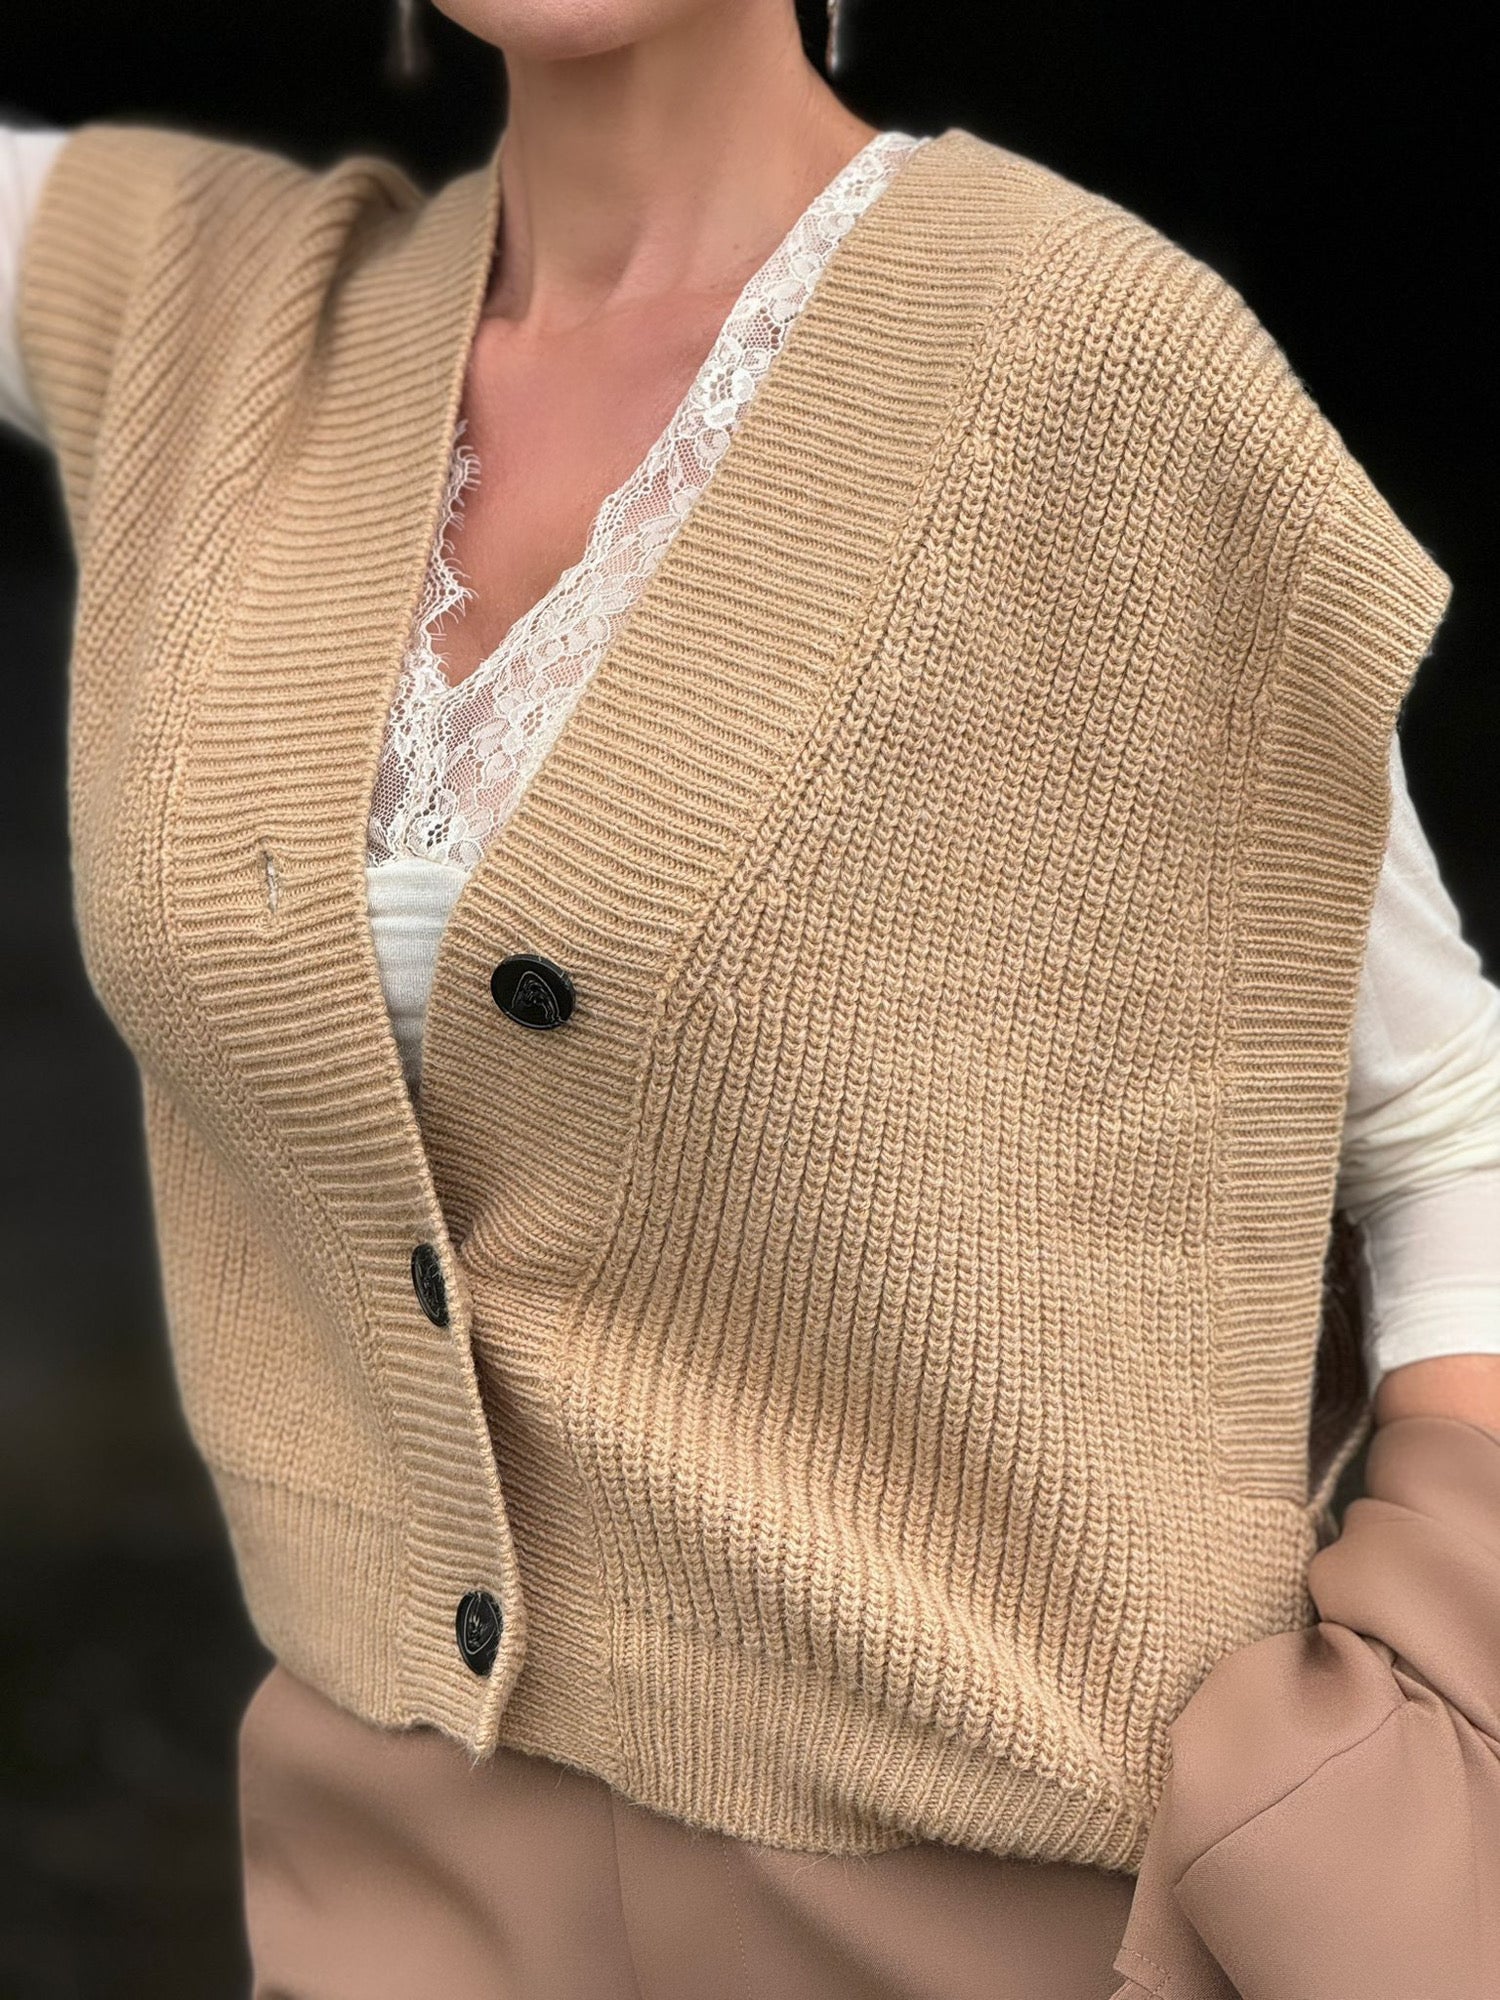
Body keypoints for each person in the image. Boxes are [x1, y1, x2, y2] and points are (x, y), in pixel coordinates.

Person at [3, 2, 1499, 1994]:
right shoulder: (213, 321)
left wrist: (1411, 1722)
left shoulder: (1096, 373)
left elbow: (1438, 1116)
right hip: (392, 1890)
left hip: (1004, 1905)